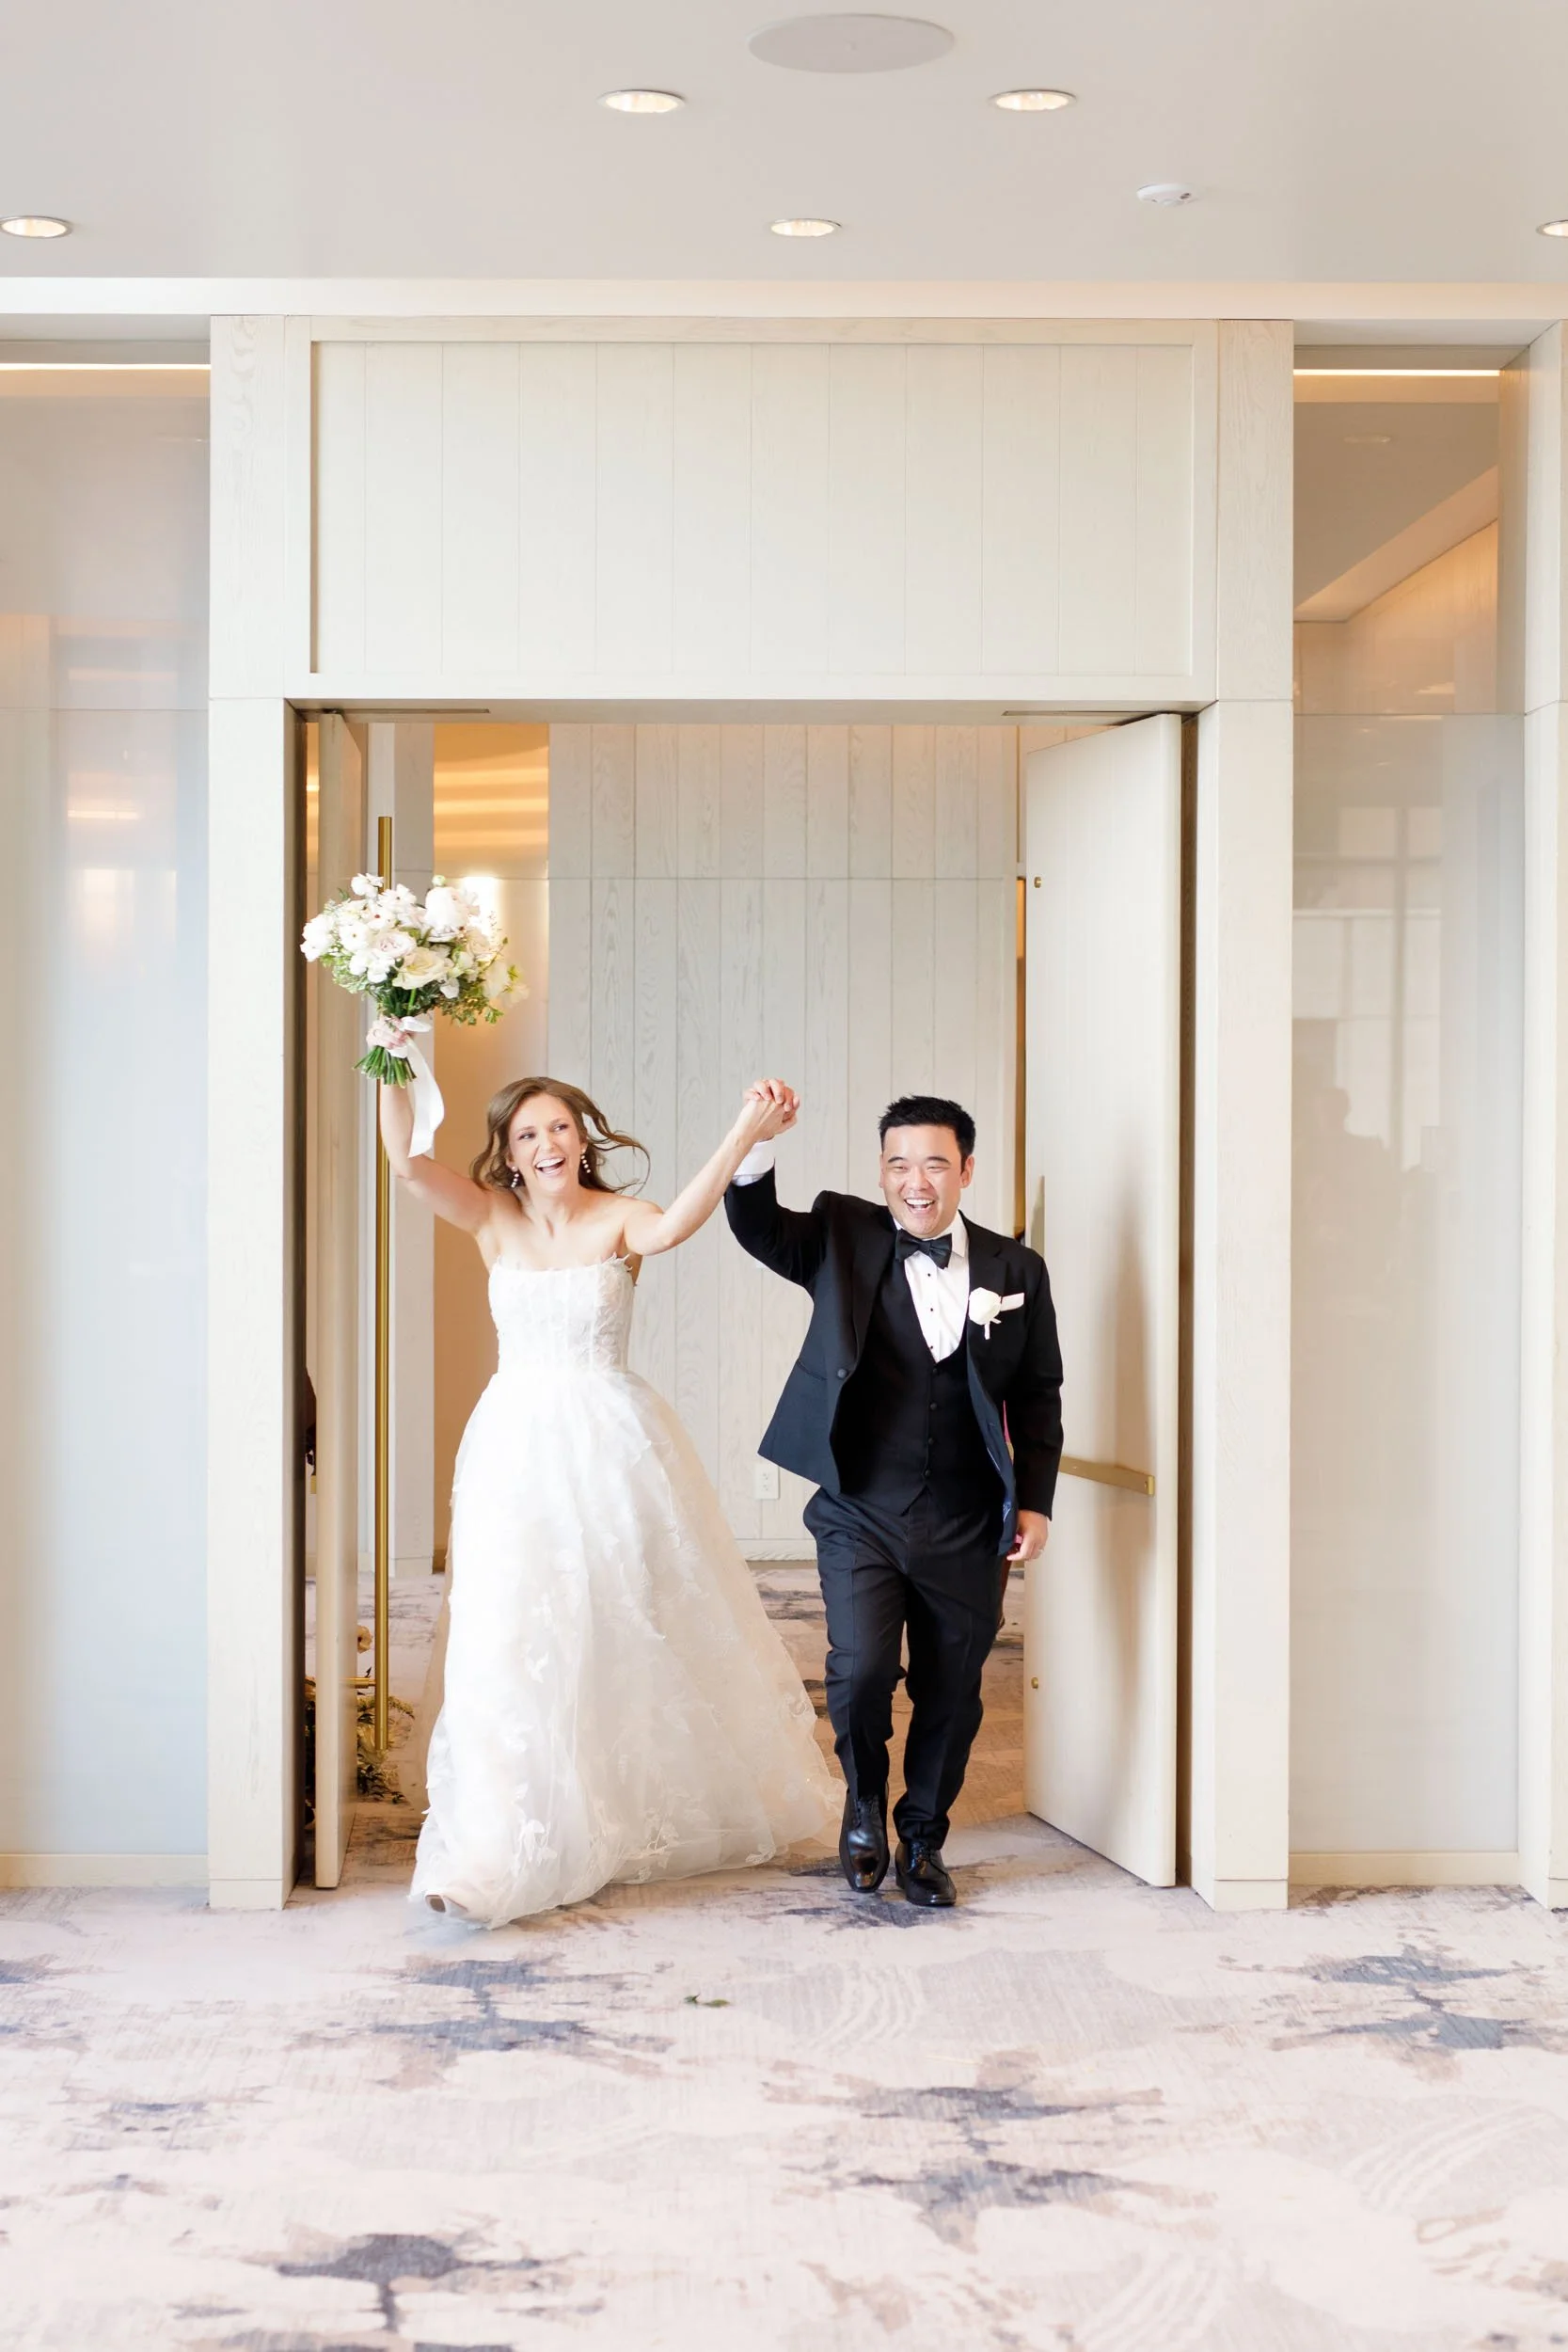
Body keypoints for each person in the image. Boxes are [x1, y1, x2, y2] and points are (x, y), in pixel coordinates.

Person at [379, 1072, 836, 1927]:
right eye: (525, 1136)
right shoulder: (491, 1216)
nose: (545, 1146)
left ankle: (617, 1806)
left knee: (621, 1616)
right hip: (514, 1445)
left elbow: (671, 1226)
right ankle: (492, 1846)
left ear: (581, 1138)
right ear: (508, 1156)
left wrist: (743, 1132)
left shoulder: (621, 1219)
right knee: (509, 1630)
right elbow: (407, 1165)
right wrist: (391, 1052)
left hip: (610, 1440)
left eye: (557, 1129)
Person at [726, 1092, 1063, 1909]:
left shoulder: (1016, 1270)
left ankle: (922, 1838)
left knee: (952, 1688)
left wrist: (1036, 1501)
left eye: (934, 1163)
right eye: (898, 1164)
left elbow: (1040, 1394)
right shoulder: (843, 1233)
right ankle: (864, 1805)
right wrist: (756, 1145)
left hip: (969, 1513)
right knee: (861, 1671)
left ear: (966, 1170)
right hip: (859, 1505)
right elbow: (757, 1224)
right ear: (881, 1171)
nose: (915, 1181)